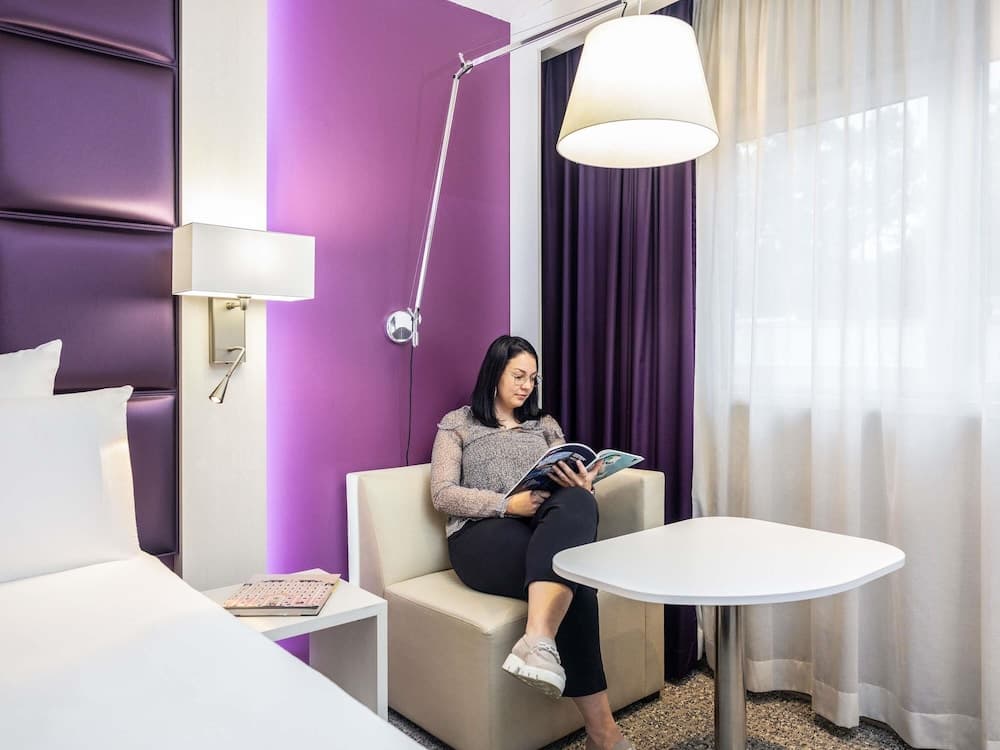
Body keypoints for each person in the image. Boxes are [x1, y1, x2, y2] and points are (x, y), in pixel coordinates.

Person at [430, 335, 634, 750]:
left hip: (540, 530)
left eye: (533, 379)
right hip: (480, 535)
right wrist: (506, 504)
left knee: (578, 499)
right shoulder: (458, 424)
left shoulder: (545, 425)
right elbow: (442, 493)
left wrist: (583, 483)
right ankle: (605, 737)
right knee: (575, 583)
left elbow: (565, 480)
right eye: (518, 376)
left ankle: (536, 640)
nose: (526, 386)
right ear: (494, 374)